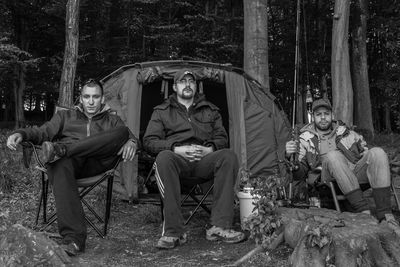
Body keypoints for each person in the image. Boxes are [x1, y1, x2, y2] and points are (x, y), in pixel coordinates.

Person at [6, 79, 138, 256]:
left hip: (98, 164)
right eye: (87, 96)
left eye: (95, 97)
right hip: (70, 164)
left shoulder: (112, 119)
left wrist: (131, 141)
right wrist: (20, 133)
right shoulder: (65, 117)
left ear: (102, 99)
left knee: (122, 132)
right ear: (80, 99)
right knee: (58, 162)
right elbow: (42, 132)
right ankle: (73, 240)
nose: (91, 101)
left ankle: (62, 149)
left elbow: (130, 138)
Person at [143, 69, 245, 249]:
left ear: (196, 86)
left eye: (191, 81)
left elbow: (222, 138)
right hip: (177, 161)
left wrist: (210, 149)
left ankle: (219, 226)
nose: (187, 84)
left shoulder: (211, 110)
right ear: (175, 86)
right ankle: (174, 232)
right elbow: (149, 142)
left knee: (228, 156)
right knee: (164, 157)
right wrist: (175, 148)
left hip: (204, 162)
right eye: (183, 81)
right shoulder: (161, 111)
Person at [285, 98, 400, 233]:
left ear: (332, 115)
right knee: (334, 156)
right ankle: (364, 212)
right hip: (326, 181)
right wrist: (289, 157)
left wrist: (380, 163)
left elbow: (366, 154)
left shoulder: (346, 132)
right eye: (319, 114)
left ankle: (386, 216)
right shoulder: (305, 139)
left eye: (326, 114)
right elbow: (300, 173)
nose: (323, 118)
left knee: (378, 153)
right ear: (313, 117)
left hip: (353, 176)